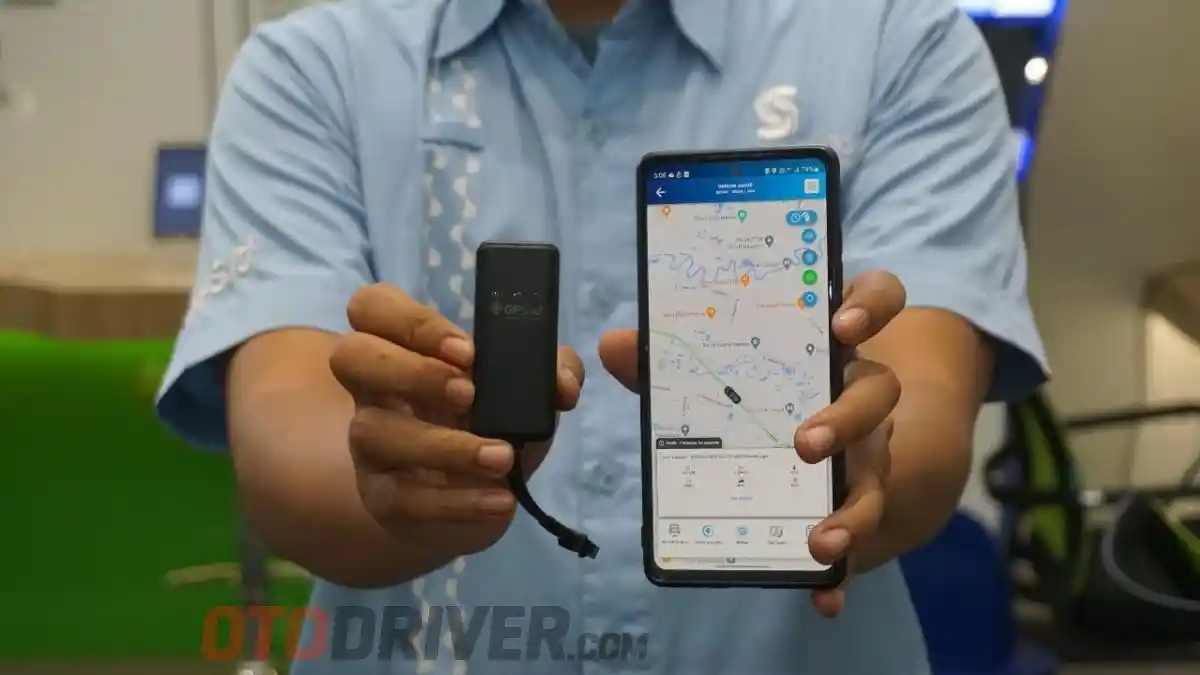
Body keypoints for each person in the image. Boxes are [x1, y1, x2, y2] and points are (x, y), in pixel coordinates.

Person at [157, 0, 1048, 673]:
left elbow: (925, 397)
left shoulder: (899, 39)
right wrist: (394, 474)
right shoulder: (311, 69)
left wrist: (856, 453)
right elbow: (283, 418)